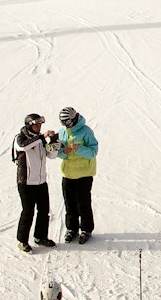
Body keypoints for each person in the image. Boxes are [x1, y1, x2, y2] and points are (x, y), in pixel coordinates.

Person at [12, 113, 56, 251]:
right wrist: (42, 137)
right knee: (28, 212)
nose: (39, 127)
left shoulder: (39, 140)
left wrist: (54, 143)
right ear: (29, 125)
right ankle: (22, 241)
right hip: (26, 182)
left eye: (40, 124)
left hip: (41, 181)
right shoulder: (20, 137)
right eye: (37, 124)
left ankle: (40, 236)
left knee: (44, 211)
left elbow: (51, 155)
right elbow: (23, 146)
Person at [54, 106, 98, 243]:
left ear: (73, 119)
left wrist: (78, 149)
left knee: (83, 203)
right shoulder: (62, 133)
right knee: (69, 203)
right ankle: (71, 228)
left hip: (84, 174)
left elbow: (93, 151)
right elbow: (57, 152)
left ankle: (86, 229)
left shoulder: (86, 132)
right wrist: (63, 152)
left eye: (67, 122)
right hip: (68, 174)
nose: (65, 125)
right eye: (63, 123)